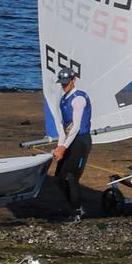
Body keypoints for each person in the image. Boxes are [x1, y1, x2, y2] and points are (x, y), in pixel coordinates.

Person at [52, 68, 92, 222]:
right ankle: (76, 207)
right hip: (70, 141)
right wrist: (60, 145)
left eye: (67, 83)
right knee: (59, 178)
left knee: (71, 176)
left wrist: (64, 147)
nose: (64, 86)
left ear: (74, 80)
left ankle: (76, 212)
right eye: (62, 84)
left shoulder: (79, 98)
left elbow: (76, 126)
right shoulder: (63, 99)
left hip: (81, 141)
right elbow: (63, 127)